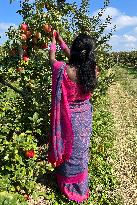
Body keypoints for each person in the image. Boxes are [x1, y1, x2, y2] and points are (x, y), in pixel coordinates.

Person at [48, 31, 98, 203]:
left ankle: (67, 185)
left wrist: (55, 42)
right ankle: (80, 185)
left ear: (75, 52)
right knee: (81, 150)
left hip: (69, 119)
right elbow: (77, 60)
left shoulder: (63, 70)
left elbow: (52, 60)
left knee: (68, 149)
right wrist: (63, 42)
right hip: (85, 117)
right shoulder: (92, 70)